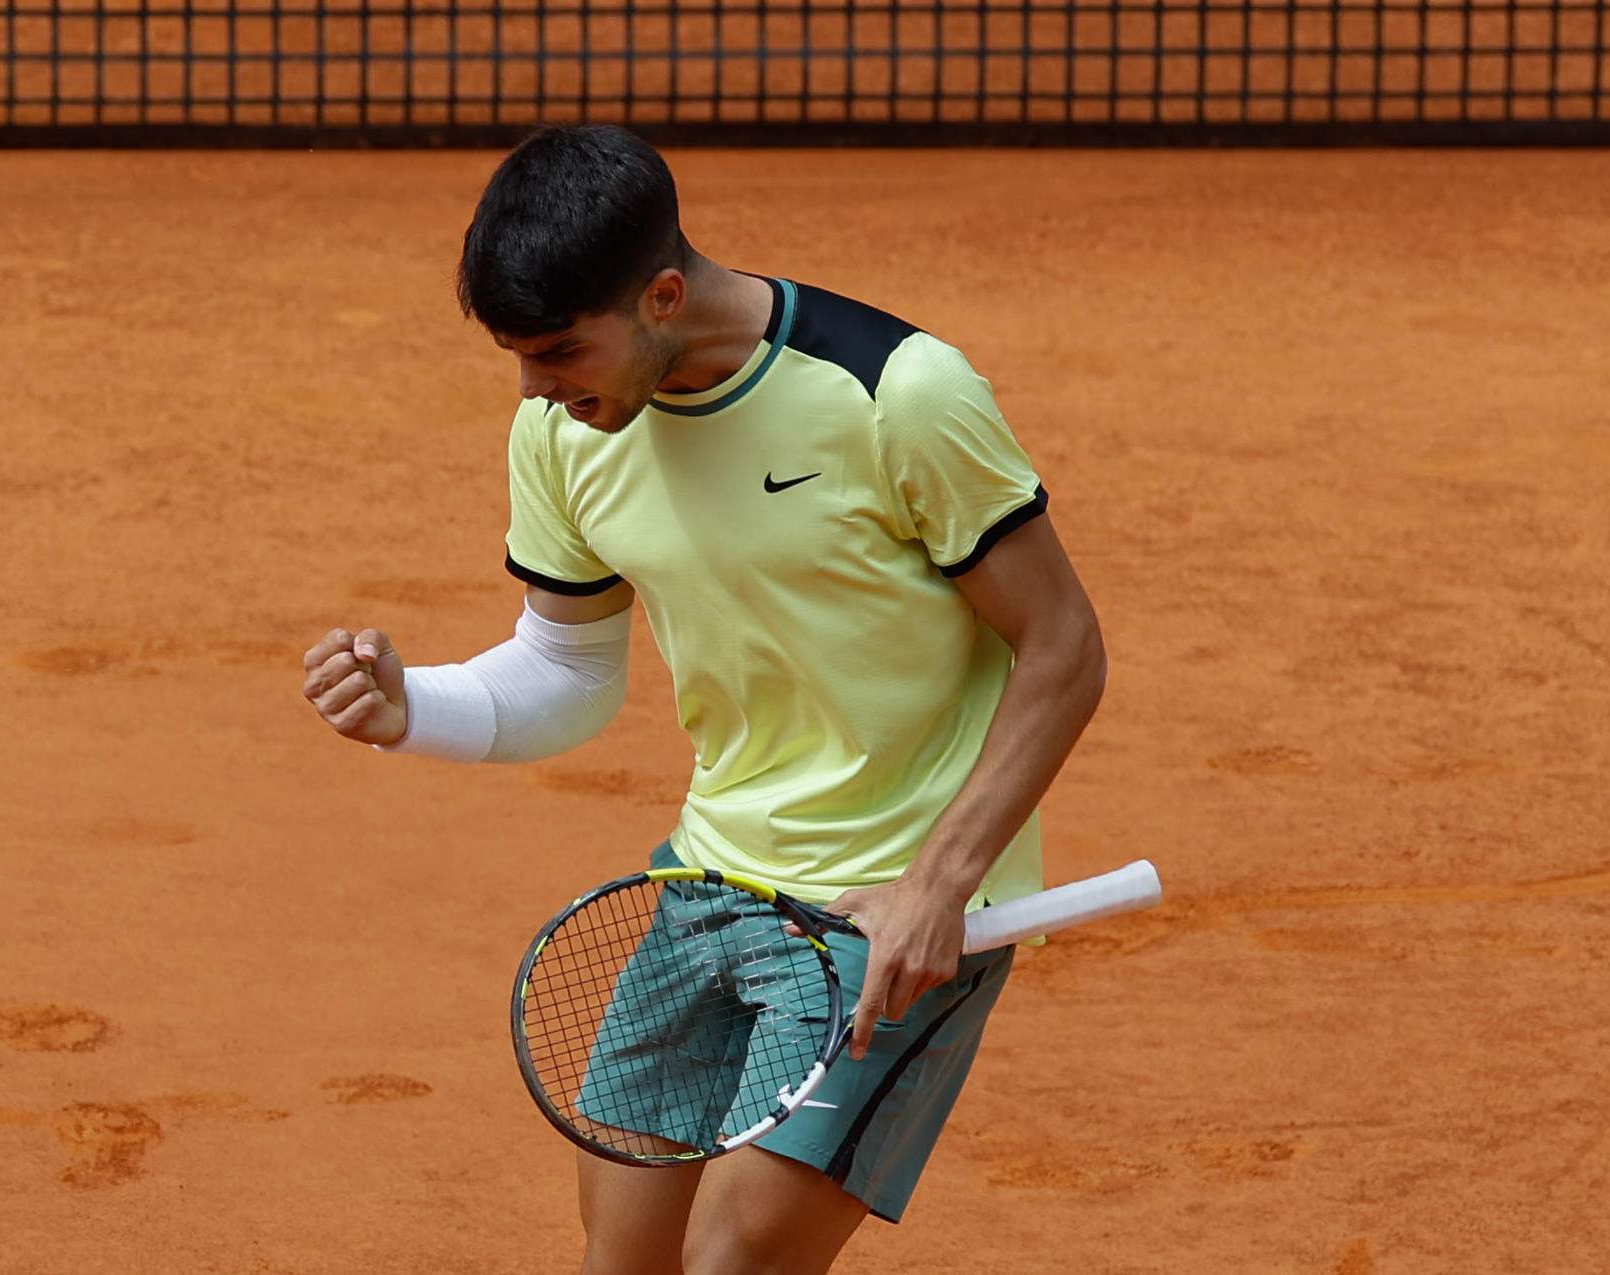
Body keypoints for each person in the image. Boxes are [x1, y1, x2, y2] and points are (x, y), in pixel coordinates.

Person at [300, 124, 1106, 1275]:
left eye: (561, 352)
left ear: (665, 295)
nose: (535, 390)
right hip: (708, 882)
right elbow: (566, 670)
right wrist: (409, 707)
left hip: (882, 920)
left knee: (734, 1262)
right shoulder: (561, 433)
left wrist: (940, 884)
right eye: (520, 358)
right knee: (618, 1263)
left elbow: (1063, 645)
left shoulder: (895, 394)